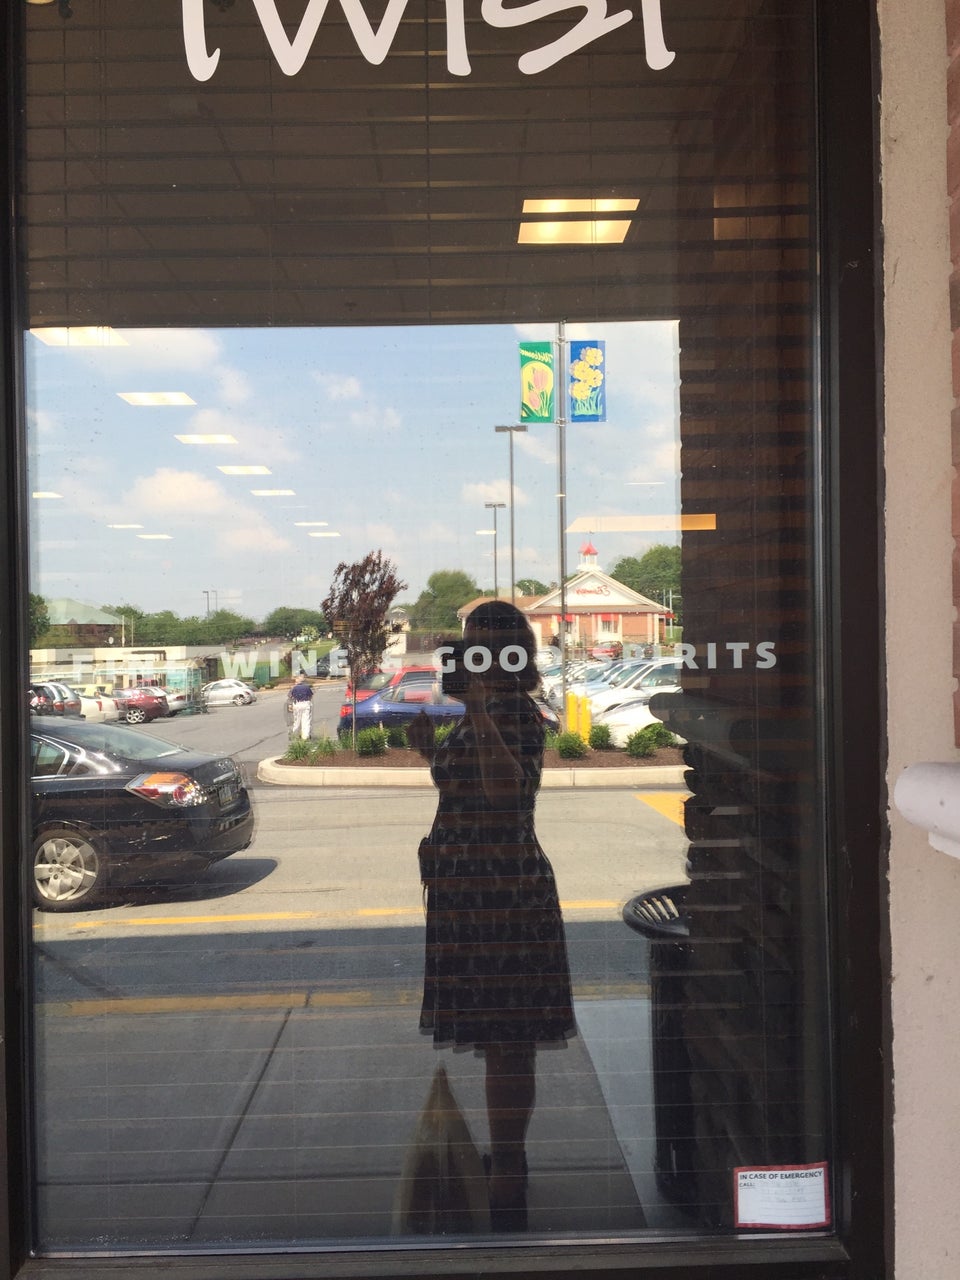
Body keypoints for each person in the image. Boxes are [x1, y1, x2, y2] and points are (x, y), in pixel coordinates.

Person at [406, 601, 576, 1233]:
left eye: (487, 646)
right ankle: (507, 1161)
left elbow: (507, 794)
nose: (474, 656)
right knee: (496, 1032)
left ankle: (507, 1171)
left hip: (504, 894)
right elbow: (470, 785)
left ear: (514, 655)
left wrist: (476, 710)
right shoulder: (485, 711)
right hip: (469, 892)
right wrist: (432, 751)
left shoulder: (517, 714)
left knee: (508, 1038)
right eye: (468, 645)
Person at [287, 672, 313, 739]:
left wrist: (291, 705)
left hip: (297, 704)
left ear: (297, 681)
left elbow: (290, 696)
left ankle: (295, 735)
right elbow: (310, 696)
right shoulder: (307, 687)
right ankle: (305, 736)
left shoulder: (294, 688)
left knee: (297, 720)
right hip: (305, 703)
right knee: (306, 720)